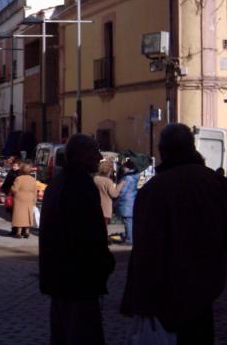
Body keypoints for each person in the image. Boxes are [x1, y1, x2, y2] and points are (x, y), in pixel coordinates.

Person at [121, 123, 227, 344]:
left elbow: (146, 250)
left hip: (168, 293)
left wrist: (139, 301)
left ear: (162, 151)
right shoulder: (215, 183)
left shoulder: (154, 190)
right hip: (206, 284)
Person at [39, 134, 114, 345]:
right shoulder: (79, 185)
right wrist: (104, 263)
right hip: (77, 280)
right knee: (81, 334)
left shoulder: (58, 182)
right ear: (81, 155)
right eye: (94, 152)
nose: (99, 157)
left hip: (60, 278)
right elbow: (88, 236)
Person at [10, 160, 38, 239]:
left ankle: (18, 233)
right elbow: (35, 191)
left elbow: (14, 189)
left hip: (20, 199)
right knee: (28, 215)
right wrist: (34, 200)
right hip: (30, 198)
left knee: (19, 215)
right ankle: (26, 232)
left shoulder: (19, 179)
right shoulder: (33, 179)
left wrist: (11, 188)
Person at [115, 159, 139, 244]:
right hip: (131, 200)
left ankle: (129, 239)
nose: (123, 169)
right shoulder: (134, 176)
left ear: (128, 168)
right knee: (129, 221)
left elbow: (123, 190)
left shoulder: (127, 178)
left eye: (124, 167)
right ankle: (129, 237)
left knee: (127, 221)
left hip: (126, 201)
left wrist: (117, 193)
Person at [93, 158, 120, 226]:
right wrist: (119, 186)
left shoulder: (95, 179)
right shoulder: (108, 181)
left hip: (95, 207)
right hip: (105, 209)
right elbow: (114, 194)